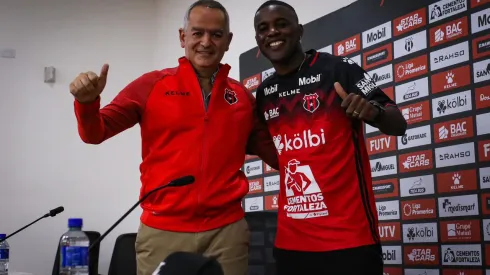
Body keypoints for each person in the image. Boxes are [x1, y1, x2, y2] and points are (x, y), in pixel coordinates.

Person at [69, 1, 278, 275]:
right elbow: (95, 133)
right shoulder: (151, 85)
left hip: (227, 233)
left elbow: (279, 154)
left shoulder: (241, 98)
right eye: (197, 33)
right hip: (162, 231)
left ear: (228, 41)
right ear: (183, 37)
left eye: (216, 34)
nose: (206, 42)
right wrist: (87, 103)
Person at [253, 1, 407, 275]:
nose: (273, 32)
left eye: (281, 24)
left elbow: (398, 123)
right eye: (264, 28)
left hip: (349, 240)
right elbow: (285, 157)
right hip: (291, 243)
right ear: (258, 41)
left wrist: (373, 112)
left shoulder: (339, 69)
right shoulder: (265, 92)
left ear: (299, 31)